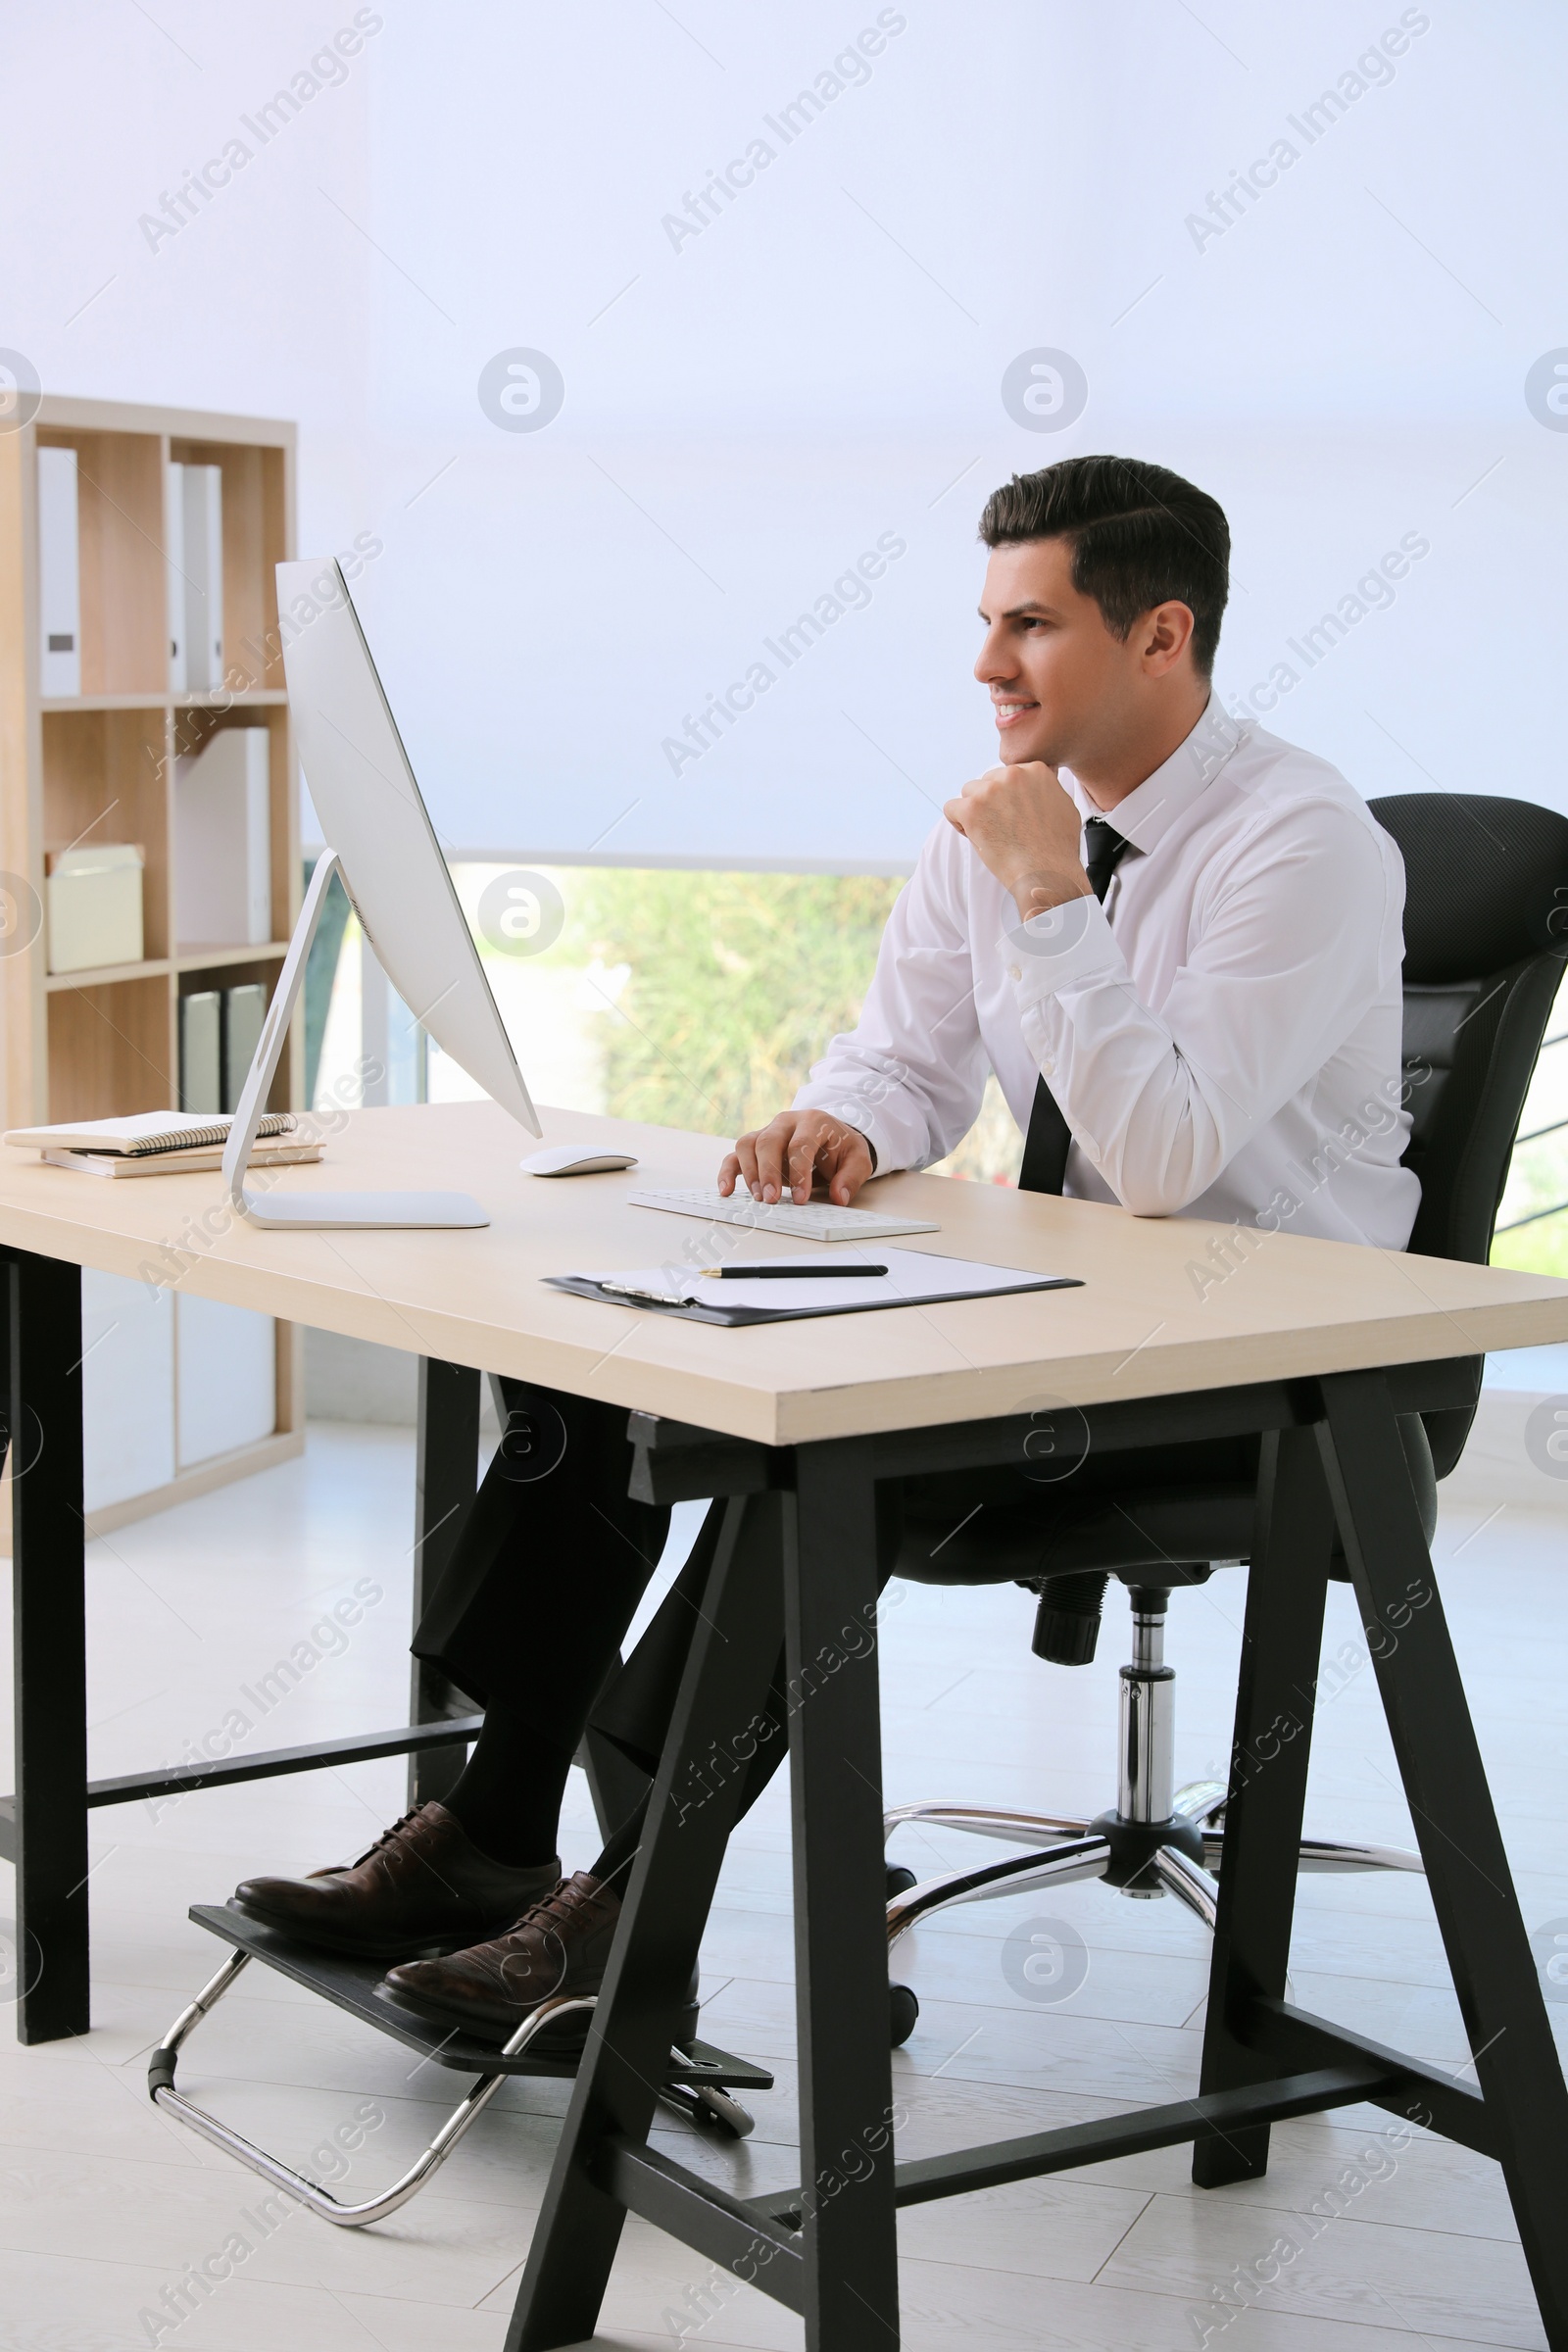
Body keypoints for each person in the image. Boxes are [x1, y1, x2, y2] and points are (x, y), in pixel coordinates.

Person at [233, 453, 1418, 2037]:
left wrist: (1057, 903)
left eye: (1033, 626)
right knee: (599, 1377)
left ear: (1161, 638)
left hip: (1262, 1371)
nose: (988, 666)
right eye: (986, 622)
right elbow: (909, 1055)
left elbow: (1163, 1162)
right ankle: (496, 1832)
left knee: (794, 1460)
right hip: (1054, 1309)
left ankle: (628, 1903)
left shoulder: (1301, 842)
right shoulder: (1003, 822)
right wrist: (844, 1119)